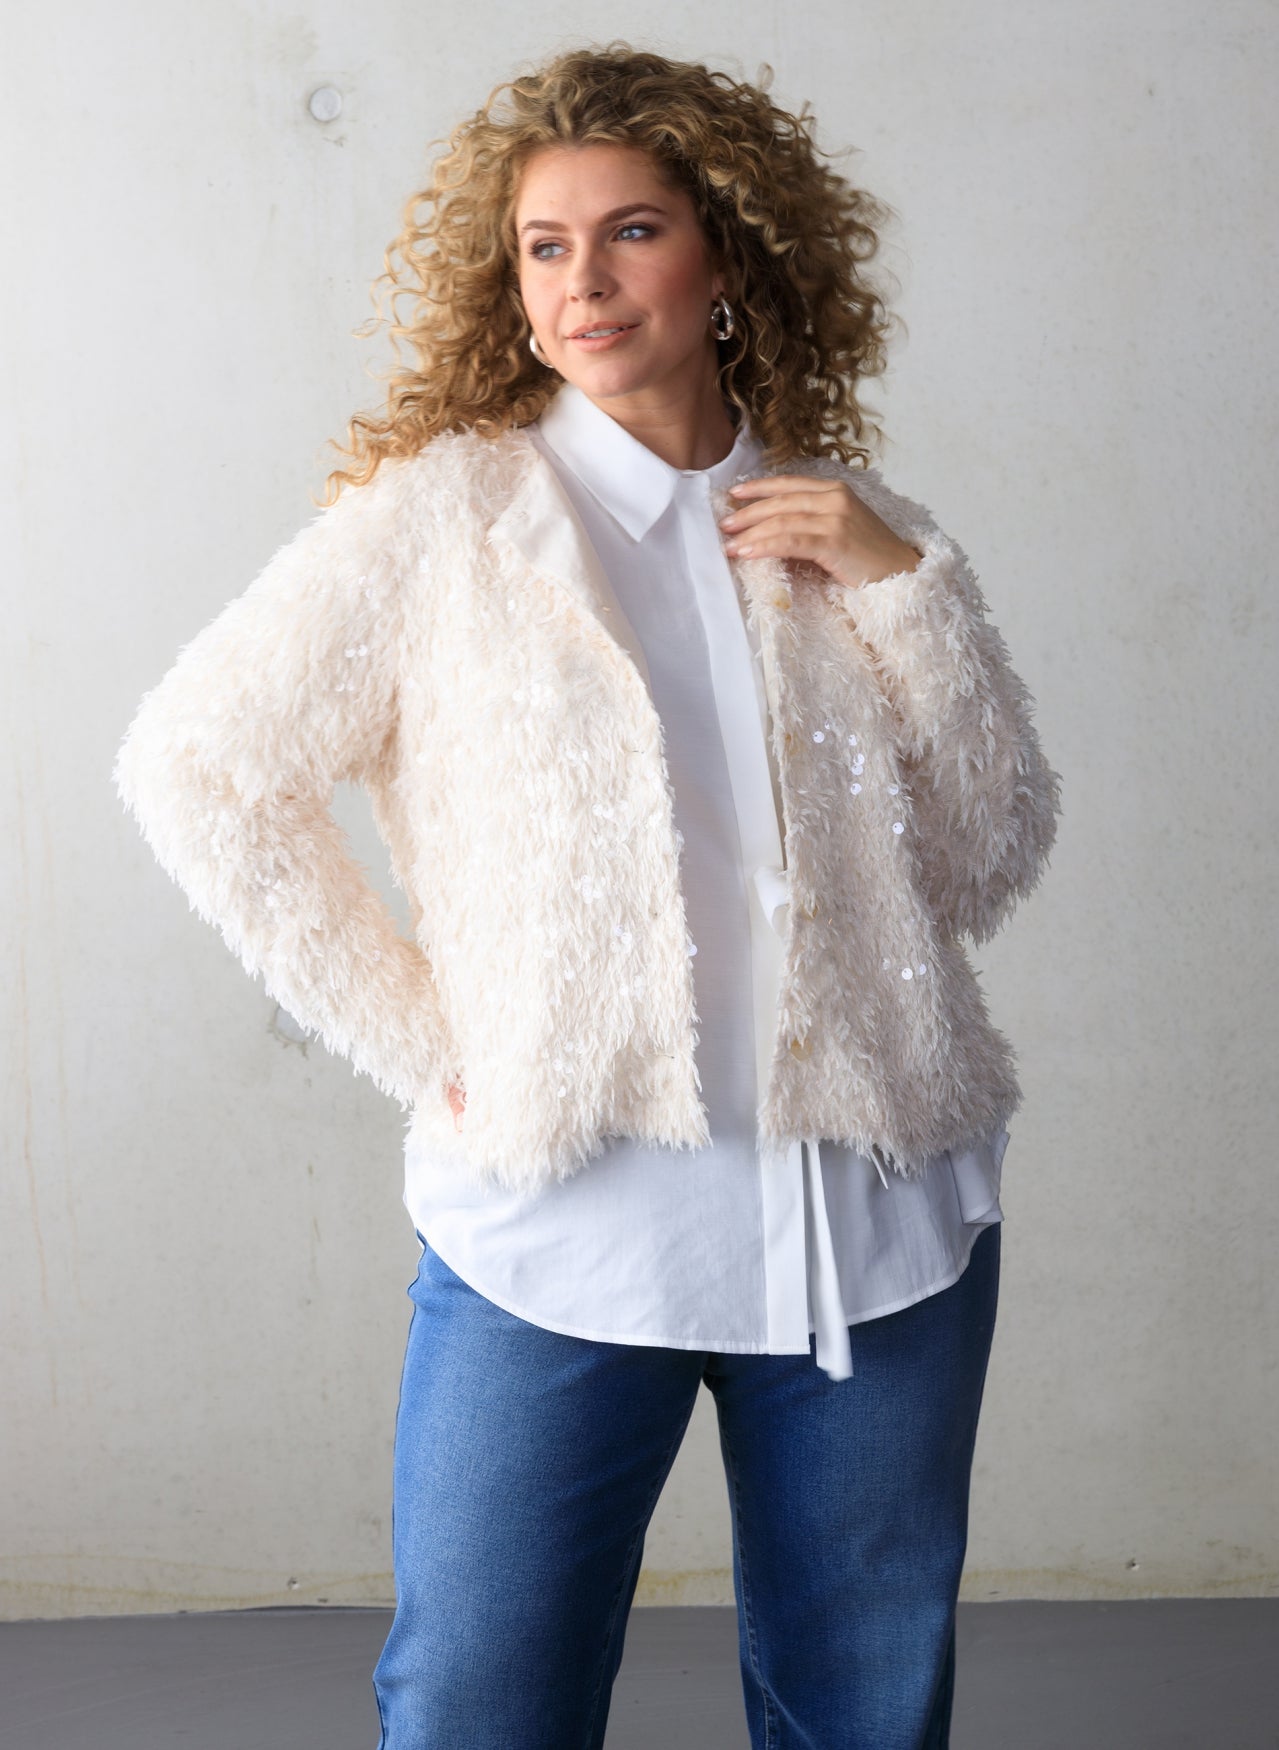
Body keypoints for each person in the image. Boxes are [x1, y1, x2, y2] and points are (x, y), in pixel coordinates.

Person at [114, 41, 1061, 1750]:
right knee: (481, 1702)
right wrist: (432, 1034)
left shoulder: (857, 527)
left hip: (864, 1229)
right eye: (545, 246)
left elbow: (991, 854)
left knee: (866, 1712)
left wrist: (903, 588)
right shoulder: (444, 525)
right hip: (564, 1221)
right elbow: (197, 764)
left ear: (729, 257)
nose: (584, 281)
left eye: (631, 231)